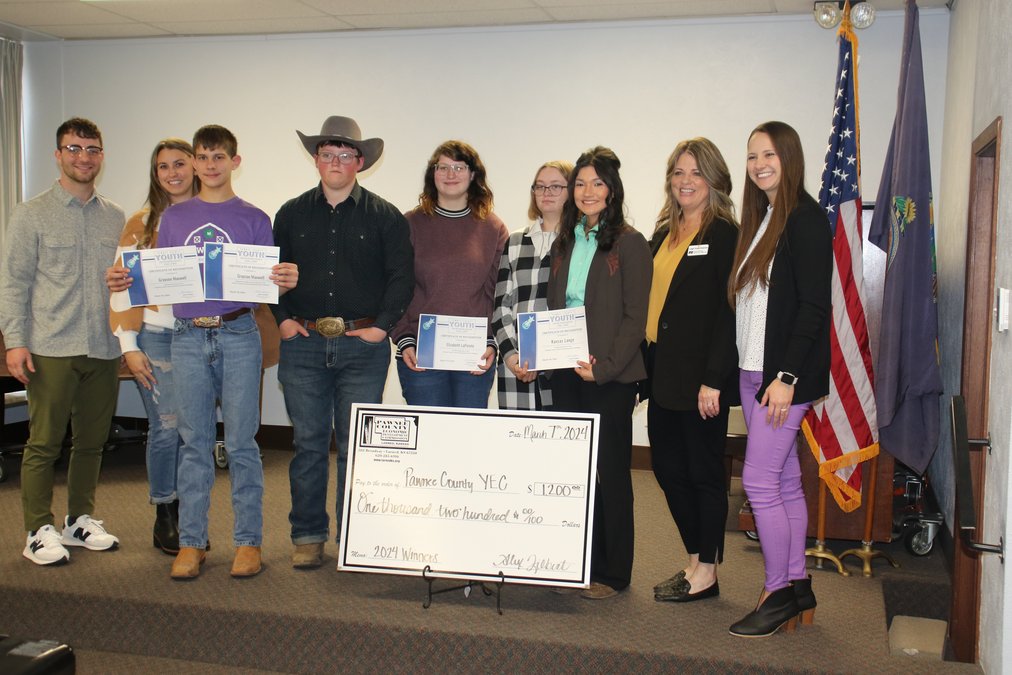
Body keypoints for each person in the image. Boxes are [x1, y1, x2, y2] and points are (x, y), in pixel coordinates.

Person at [157, 124, 298, 580]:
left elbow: (265, 287)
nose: (210, 165)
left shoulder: (255, 218)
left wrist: (280, 282)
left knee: (241, 443)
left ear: (235, 162)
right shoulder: (174, 218)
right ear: (194, 163)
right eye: (202, 157)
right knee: (194, 443)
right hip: (187, 336)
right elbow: (161, 278)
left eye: (219, 157)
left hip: (239, 333)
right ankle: (192, 543)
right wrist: (130, 279)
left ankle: (248, 542)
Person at [273, 116, 414, 569]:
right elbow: (270, 274)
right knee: (309, 444)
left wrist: (382, 327)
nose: (336, 162)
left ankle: (354, 538)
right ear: (316, 159)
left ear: (360, 162)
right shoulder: (290, 214)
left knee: (358, 448)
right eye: (327, 154)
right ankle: (308, 536)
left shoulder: (386, 217)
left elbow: (401, 278)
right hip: (304, 343)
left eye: (345, 155)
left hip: (362, 347)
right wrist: (282, 320)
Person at [0, 117, 124, 565]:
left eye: (91, 149)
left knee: (92, 442)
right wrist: (15, 342)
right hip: (50, 346)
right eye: (73, 149)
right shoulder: (30, 214)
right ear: (58, 155)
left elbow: (125, 283)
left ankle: (78, 520)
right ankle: (37, 529)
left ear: (101, 156)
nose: (83, 158)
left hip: (103, 347)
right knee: (44, 443)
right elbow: (13, 282)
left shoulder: (115, 216)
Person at [727, 121, 831, 637]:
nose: (759, 165)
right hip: (753, 374)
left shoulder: (806, 220)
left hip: (780, 381)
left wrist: (787, 377)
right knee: (785, 480)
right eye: (752, 156)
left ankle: (776, 593)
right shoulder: (763, 218)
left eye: (769, 154)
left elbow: (814, 306)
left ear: (789, 157)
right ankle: (797, 582)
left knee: (759, 483)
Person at [546, 146, 651, 599]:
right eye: (581, 183)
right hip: (567, 372)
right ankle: (576, 563)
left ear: (612, 190)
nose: (588, 191)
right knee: (574, 473)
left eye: (598, 183)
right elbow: (556, 306)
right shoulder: (566, 240)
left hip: (610, 377)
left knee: (609, 473)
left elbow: (635, 318)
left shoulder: (630, 242)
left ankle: (612, 572)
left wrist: (604, 369)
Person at [646, 138, 740, 603]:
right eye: (679, 172)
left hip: (701, 378)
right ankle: (695, 560)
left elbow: (730, 312)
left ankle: (707, 571)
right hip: (661, 372)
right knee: (667, 469)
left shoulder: (724, 234)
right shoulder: (664, 232)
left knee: (703, 473)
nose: (686, 181)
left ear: (714, 180)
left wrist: (714, 379)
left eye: (697, 172)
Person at [106, 138, 199, 556]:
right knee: (166, 425)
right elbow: (122, 286)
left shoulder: (211, 219)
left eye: (180, 163)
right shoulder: (141, 223)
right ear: (155, 173)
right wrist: (129, 344)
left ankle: (191, 514)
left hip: (201, 333)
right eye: (163, 166)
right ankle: (166, 512)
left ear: (195, 167)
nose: (172, 173)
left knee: (194, 427)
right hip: (156, 336)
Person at [393, 141, 508, 408]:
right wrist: (404, 339)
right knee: (429, 431)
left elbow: (498, 293)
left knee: (467, 431)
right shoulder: (410, 224)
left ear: (473, 174)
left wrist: (492, 341)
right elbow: (396, 287)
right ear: (432, 174)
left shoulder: (493, 228)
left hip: (474, 354)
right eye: (442, 167)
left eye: (459, 167)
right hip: (420, 353)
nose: (450, 174)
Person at [492, 160, 572, 410]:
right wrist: (512, 357)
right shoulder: (516, 241)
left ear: (572, 191)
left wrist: (545, 358)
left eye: (556, 186)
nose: (546, 192)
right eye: (540, 186)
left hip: (562, 369)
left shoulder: (579, 242)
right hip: (515, 369)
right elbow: (501, 307)